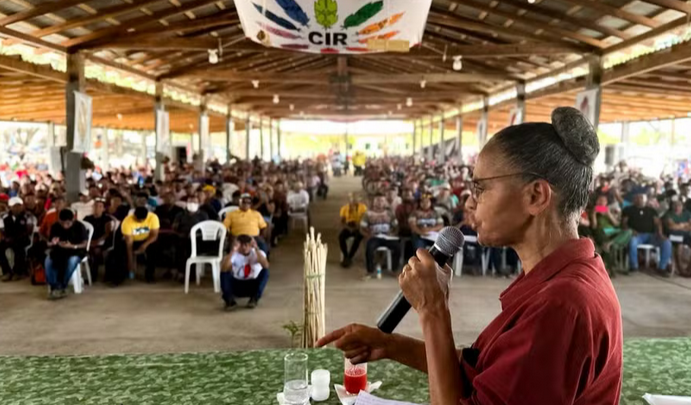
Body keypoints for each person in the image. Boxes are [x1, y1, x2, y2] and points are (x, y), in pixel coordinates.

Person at [318, 108, 623, 404]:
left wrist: (433, 310)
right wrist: (390, 344)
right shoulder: (560, 277)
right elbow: (485, 371)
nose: (470, 203)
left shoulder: (562, 307)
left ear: (535, 196)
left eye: (480, 188)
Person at [106, 206, 160, 285]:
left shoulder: (153, 217)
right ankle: (119, 278)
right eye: (138, 220)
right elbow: (129, 244)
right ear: (134, 216)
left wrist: (144, 245)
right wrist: (130, 262)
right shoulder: (127, 221)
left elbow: (154, 235)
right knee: (119, 252)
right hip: (132, 241)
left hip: (147, 240)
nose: (140, 221)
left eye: (142, 220)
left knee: (154, 249)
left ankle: (150, 275)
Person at [623, 193, 672, 275]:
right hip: (637, 235)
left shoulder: (651, 210)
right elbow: (624, 223)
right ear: (634, 200)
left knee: (667, 242)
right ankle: (634, 266)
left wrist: (660, 234)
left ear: (645, 200)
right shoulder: (628, 209)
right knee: (632, 242)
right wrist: (630, 230)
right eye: (637, 198)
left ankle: (662, 267)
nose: (639, 200)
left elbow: (658, 223)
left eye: (641, 198)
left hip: (651, 235)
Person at [45, 209, 87, 299]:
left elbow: (84, 244)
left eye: (68, 223)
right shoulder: (55, 226)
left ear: (73, 220)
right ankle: (54, 285)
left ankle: (62, 284)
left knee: (71, 261)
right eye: (62, 223)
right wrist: (53, 242)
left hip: (76, 250)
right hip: (59, 250)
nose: (65, 226)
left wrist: (72, 246)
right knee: (48, 260)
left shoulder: (79, 226)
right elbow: (49, 243)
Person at [220, 234, 270, 311]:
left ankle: (254, 299)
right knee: (224, 273)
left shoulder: (257, 253)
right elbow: (224, 269)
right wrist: (233, 250)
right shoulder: (234, 255)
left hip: (252, 284)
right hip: (237, 284)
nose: (244, 247)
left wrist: (256, 248)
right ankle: (230, 301)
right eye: (241, 245)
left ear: (251, 245)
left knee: (266, 272)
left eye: (246, 245)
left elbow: (266, 265)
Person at [590, 195, 632, 277]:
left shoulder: (609, 210)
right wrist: (594, 214)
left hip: (612, 231)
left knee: (628, 231)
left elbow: (616, 224)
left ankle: (610, 243)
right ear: (597, 202)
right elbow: (594, 226)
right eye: (600, 200)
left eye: (603, 201)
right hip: (602, 231)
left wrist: (608, 214)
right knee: (610, 247)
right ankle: (609, 268)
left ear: (606, 203)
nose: (601, 202)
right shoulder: (593, 210)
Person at [360, 193, 399, 278]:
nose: (379, 203)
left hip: (387, 237)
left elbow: (396, 226)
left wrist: (393, 233)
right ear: (373, 202)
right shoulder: (368, 214)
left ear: (385, 202)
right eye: (377, 200)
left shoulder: (390, 213)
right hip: (374, 237)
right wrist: (368, 235)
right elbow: (362, 228)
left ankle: (394, 270)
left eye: (382, 201)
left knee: (397, 247)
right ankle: (370, 271)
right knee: (369, 247)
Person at [0, 197, 36, 281]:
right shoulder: (4, 217)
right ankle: (7, 271)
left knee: (19, 247)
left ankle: (18, 272)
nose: (17, 208)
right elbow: (2, 230)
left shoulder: (27, 215)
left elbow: (29, 231)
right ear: (10, 207)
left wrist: (15, 238)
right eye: (14, 206)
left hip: (23, 239)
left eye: (18, 206)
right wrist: (6, 238)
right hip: (9, 239)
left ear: (22, 206)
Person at [84, 198, 114, 281]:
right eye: (95, 206)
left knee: (97, 251)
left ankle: (99, 276)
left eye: (100, 206)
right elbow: (83, 232)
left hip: (103, 241)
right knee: (90, 252)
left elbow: (107, 233)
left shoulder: (106, 219)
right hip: (89, 241)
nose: (97, 208)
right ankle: (91, 275)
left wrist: (97, 242)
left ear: (104, 209)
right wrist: (90, 242)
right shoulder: (87, 218)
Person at [338, 193, 367, 268]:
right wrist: (348, 228)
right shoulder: (344, 208)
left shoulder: (363, 208)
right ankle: (345, 255)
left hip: (359, 226)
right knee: (341, 237)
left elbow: (364, 219)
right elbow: (342, 222)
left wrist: (358, 227)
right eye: (351, 199)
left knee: (358, 237)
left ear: (359, 200)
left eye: (356, 199)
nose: (353, 201)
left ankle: (350, 256)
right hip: (349, 226)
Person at [665, 200, 691, 277]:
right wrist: (684, 225)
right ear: (672, 206)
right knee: (679, 246)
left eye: (679, 205)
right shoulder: (669, 214)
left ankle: (689, 269)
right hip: (673, 235)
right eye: (675, 205)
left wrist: (678, 225)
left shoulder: (687, 214)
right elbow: (671, 226)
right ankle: (681, 269)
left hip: (686, 235)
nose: (677, 207)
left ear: (682, 206)